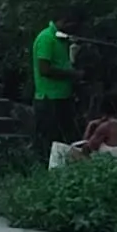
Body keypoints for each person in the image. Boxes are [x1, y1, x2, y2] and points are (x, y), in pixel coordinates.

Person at [33, 8, 82, 161]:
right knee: (49, 141)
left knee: (64, 139)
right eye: (71, 24)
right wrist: (72, 74)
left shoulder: (62, 39)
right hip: (49, 98)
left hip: (63, 96)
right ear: (63, 21)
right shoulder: (46, 38)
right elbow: (44, 69)